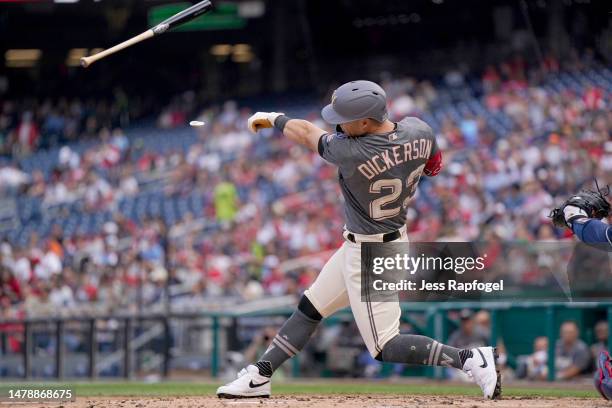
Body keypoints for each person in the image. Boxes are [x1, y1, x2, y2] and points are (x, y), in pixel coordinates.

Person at [216, 80, 501, 399]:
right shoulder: (419, 129)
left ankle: (470, 359)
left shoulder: (351, 151)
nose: (337, 123)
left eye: (344, 118)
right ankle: (260, 375)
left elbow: (308, 133)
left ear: (366, 121)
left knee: (385, 345)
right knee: (311, 307)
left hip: (373, 253)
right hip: (369, 241)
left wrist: (274, 118)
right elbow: (434, 168)